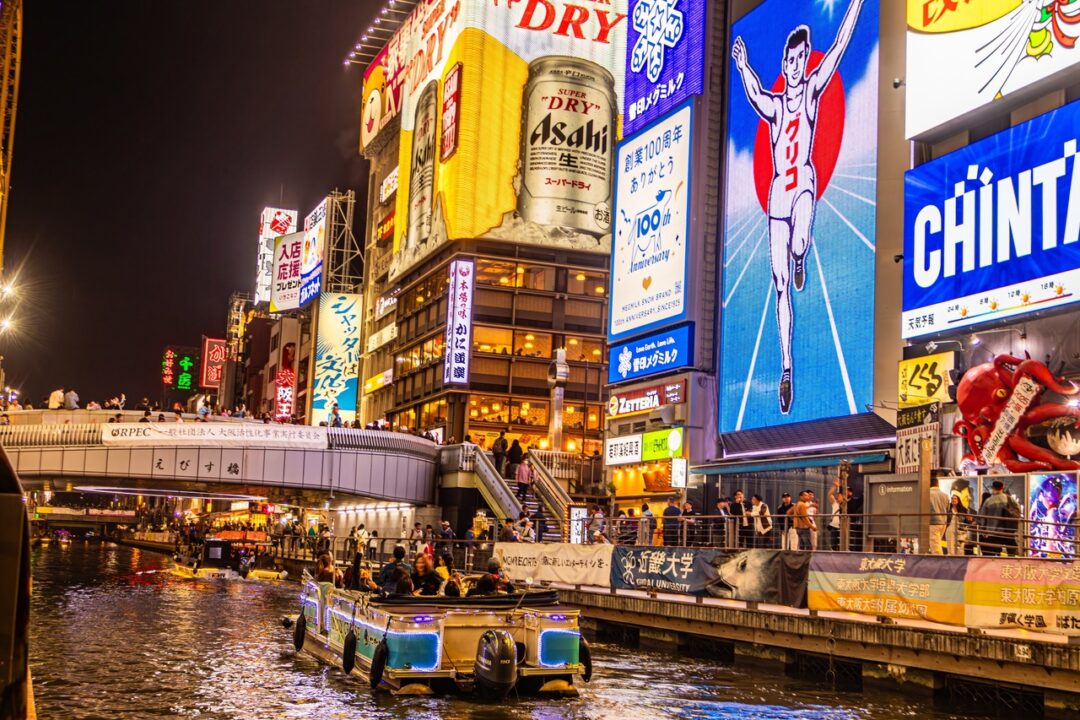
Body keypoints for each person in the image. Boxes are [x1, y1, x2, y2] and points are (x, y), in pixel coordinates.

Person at [731, 0, 866, 414]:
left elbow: (840, 46)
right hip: (778, 195)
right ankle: (787, 367)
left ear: (806, 60)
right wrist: (742, 66)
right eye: (790, 60)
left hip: (803, 183)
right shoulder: (775, 106)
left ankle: (801, 254)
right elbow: (755, 93)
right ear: (784, 62)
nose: (795, 66)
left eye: (801, 59)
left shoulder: (810, 93)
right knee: (779, 284)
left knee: (800, 241)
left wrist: (856, 6)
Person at [980, 481, 1018, 556]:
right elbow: (1018, 511)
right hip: (1008, 531)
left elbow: (983, 517)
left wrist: (983, 529)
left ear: (993, 488)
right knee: (1011, 552)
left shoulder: (988, 501)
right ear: (1002, 488)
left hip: (992, 532)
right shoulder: (1009, 499)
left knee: (993, 554)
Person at [928, 475, 949, 555]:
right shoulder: (945, 495)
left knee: (935, 546)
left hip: (933, 522)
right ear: (937, 484)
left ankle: (938, 561)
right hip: (943, 522)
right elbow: (947, 508)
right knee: (937, 543)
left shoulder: (928, 494)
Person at [827, 478, 843, 551]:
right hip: (834, 526)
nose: (837, 497)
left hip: (843, 527)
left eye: (839, 496)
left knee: (841, 544)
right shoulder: (835, 503)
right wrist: (835, 486)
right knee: (833, 544)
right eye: (837, 496)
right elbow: (829, 494)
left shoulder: (846, 505)